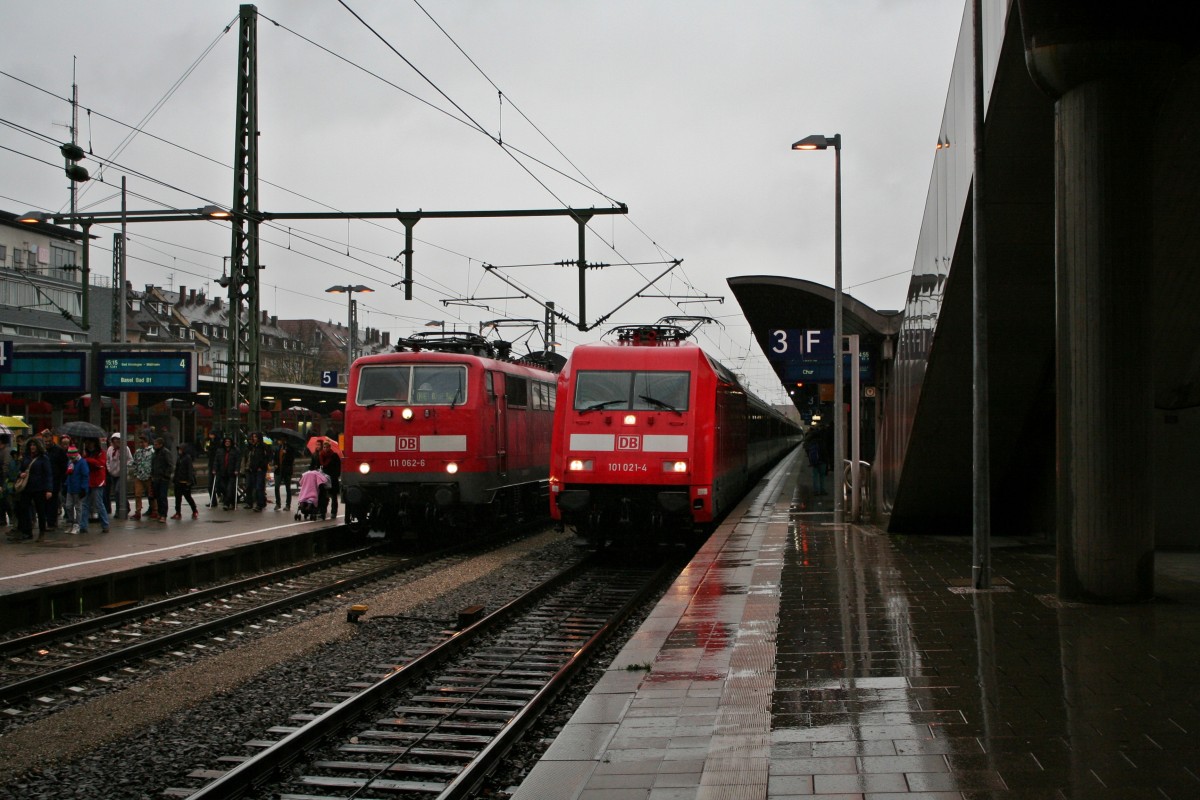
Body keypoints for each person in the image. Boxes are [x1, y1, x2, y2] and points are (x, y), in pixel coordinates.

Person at [13, 438, 53, 542]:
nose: (32, 447)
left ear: (38, 446)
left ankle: (42, 532)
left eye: (34, 445)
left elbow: (48, 474)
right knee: (24, 509)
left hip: (39, 488)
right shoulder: (26, 457)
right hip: (27, 487)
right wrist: (20, 474)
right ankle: (27, 532)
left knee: (40, 510)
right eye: (31, 445)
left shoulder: (43, 458)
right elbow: (20, 469)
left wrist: (49, 489)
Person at [41, 429, 67, 529]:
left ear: (52, 440)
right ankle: (47, 520)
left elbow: (63, 465)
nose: (47, 443)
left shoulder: (59, 451)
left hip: (55, 479)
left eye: (48, 441)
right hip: (44, 478)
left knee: (52, 501)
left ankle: (51, 522)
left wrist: (61, 477)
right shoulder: (43, 451)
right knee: (45, 501)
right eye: (45, 442)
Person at [83, 439, 109, 533]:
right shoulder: (85, 453)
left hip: (98, 481)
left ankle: (105, 524)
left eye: (90, 442)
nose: (88, 444)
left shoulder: (101, 453)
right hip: (88, 480)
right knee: (85, 504)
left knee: (98, 503)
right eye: (87, 442)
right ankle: (83, 526)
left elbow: (100, 464)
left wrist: (87, 459)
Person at [63, 445, 90, 535]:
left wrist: (83, 488)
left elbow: (85, 476)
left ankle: (77, 525)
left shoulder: (82, 463)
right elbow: (68, 475)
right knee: (68, 506)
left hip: (78, 489)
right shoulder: (70, 462)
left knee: (78, 507)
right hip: (70, 488)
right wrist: (66, 485)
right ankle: (71, 523)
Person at [105, 432, 132, 518]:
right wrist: (109, 469)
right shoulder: (110, 449)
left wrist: (125, 467)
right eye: (114, 440)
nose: (116, 442)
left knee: (118, 491)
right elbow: (108, 460)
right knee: (117, 493)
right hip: (113, 473)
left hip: (122, 474)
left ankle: (119, 510)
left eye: (118, 440)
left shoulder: (125, 449)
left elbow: (130, 460)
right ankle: (124, 507)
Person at [129, 435, 154, 520]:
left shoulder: (152, 451)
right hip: (139, 476)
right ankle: (138, 512)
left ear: (147, 442)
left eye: (143, 442)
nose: (141, 444)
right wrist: (135, 474)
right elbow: (135, 463)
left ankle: (155, 510)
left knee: (151, 494)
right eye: (140, 442)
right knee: (137, 494)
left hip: (149, 476)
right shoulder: (138, 452)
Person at [243, 431, 270, 512]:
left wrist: (261, 466)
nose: (254, 438)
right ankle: (260, 502)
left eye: (255, 437)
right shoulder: (253, 447)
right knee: (255, 487)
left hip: (260, 470)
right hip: (253, 469)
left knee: (259, 487)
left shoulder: (263, 447)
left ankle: (260, 504)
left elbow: (267, 458)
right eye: (253, 437)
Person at [171, 443, 198, 520]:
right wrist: (174, 479)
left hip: (185, 481)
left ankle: (194, 510)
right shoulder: (179, 458)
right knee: (178, 498)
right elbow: (177, 469)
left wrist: (189, 481)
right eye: (179, 449)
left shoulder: (187, 458)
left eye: (181, 449)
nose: (179, 451)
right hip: (178, 480)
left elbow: (190, 470)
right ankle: (178, 512)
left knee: (188, 497)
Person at [316, 440, 342, 519]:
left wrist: (335, 475)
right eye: (324, 447)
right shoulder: (321, 456)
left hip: (333, 478)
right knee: (323, 496)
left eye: (327, 447)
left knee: (333, 496)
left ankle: (333, 512)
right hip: (324, 478)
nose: (325, 449)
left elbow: (338, 467)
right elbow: (318, 465)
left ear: (330, 447)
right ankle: (323, 512)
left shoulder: (334, 456)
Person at [214, 435, 240, 511]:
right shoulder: (220, 450)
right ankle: (232, 501)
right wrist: (214, 469)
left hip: (231, 473)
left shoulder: (235, 451)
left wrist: (236, 470)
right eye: (226, 441)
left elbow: (238, 461)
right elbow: (216, 460)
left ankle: (226, 504)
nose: (227, 443)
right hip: (222, 472)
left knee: (229, 488)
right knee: (223, 488)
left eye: (229, 442)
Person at [150, 437, 171, 524]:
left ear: (161, 445)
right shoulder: (155, 453)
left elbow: (170, 465)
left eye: (156, 444)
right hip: (156, 478)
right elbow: (153, 464)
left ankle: (163, 515)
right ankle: (160, 512)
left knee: (162, 497)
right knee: (157, 496)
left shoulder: (165, 452)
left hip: (163, 478)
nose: (155, 446)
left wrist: (165, 475)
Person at [272, 438, 295, 511]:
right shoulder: (277, 448)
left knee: (288, 488)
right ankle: (278, 503)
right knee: (276, 487)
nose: (278, 441)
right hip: (279, 470)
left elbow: (292, 459)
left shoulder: (289, 448)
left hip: (286, 470)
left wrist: (287, 453)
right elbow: (275, 458)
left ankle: (288, 505)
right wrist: (275, 464)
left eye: (280, 439)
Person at [805, 427, 827, 496]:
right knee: (822, 476)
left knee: (815, 476)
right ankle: (822, 490)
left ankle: (816, 491)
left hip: (814, 462)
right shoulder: (822, 441)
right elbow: (825, 452)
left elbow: (808, 451)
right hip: (822, 461)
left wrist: (811, 461)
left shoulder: (811, 442)